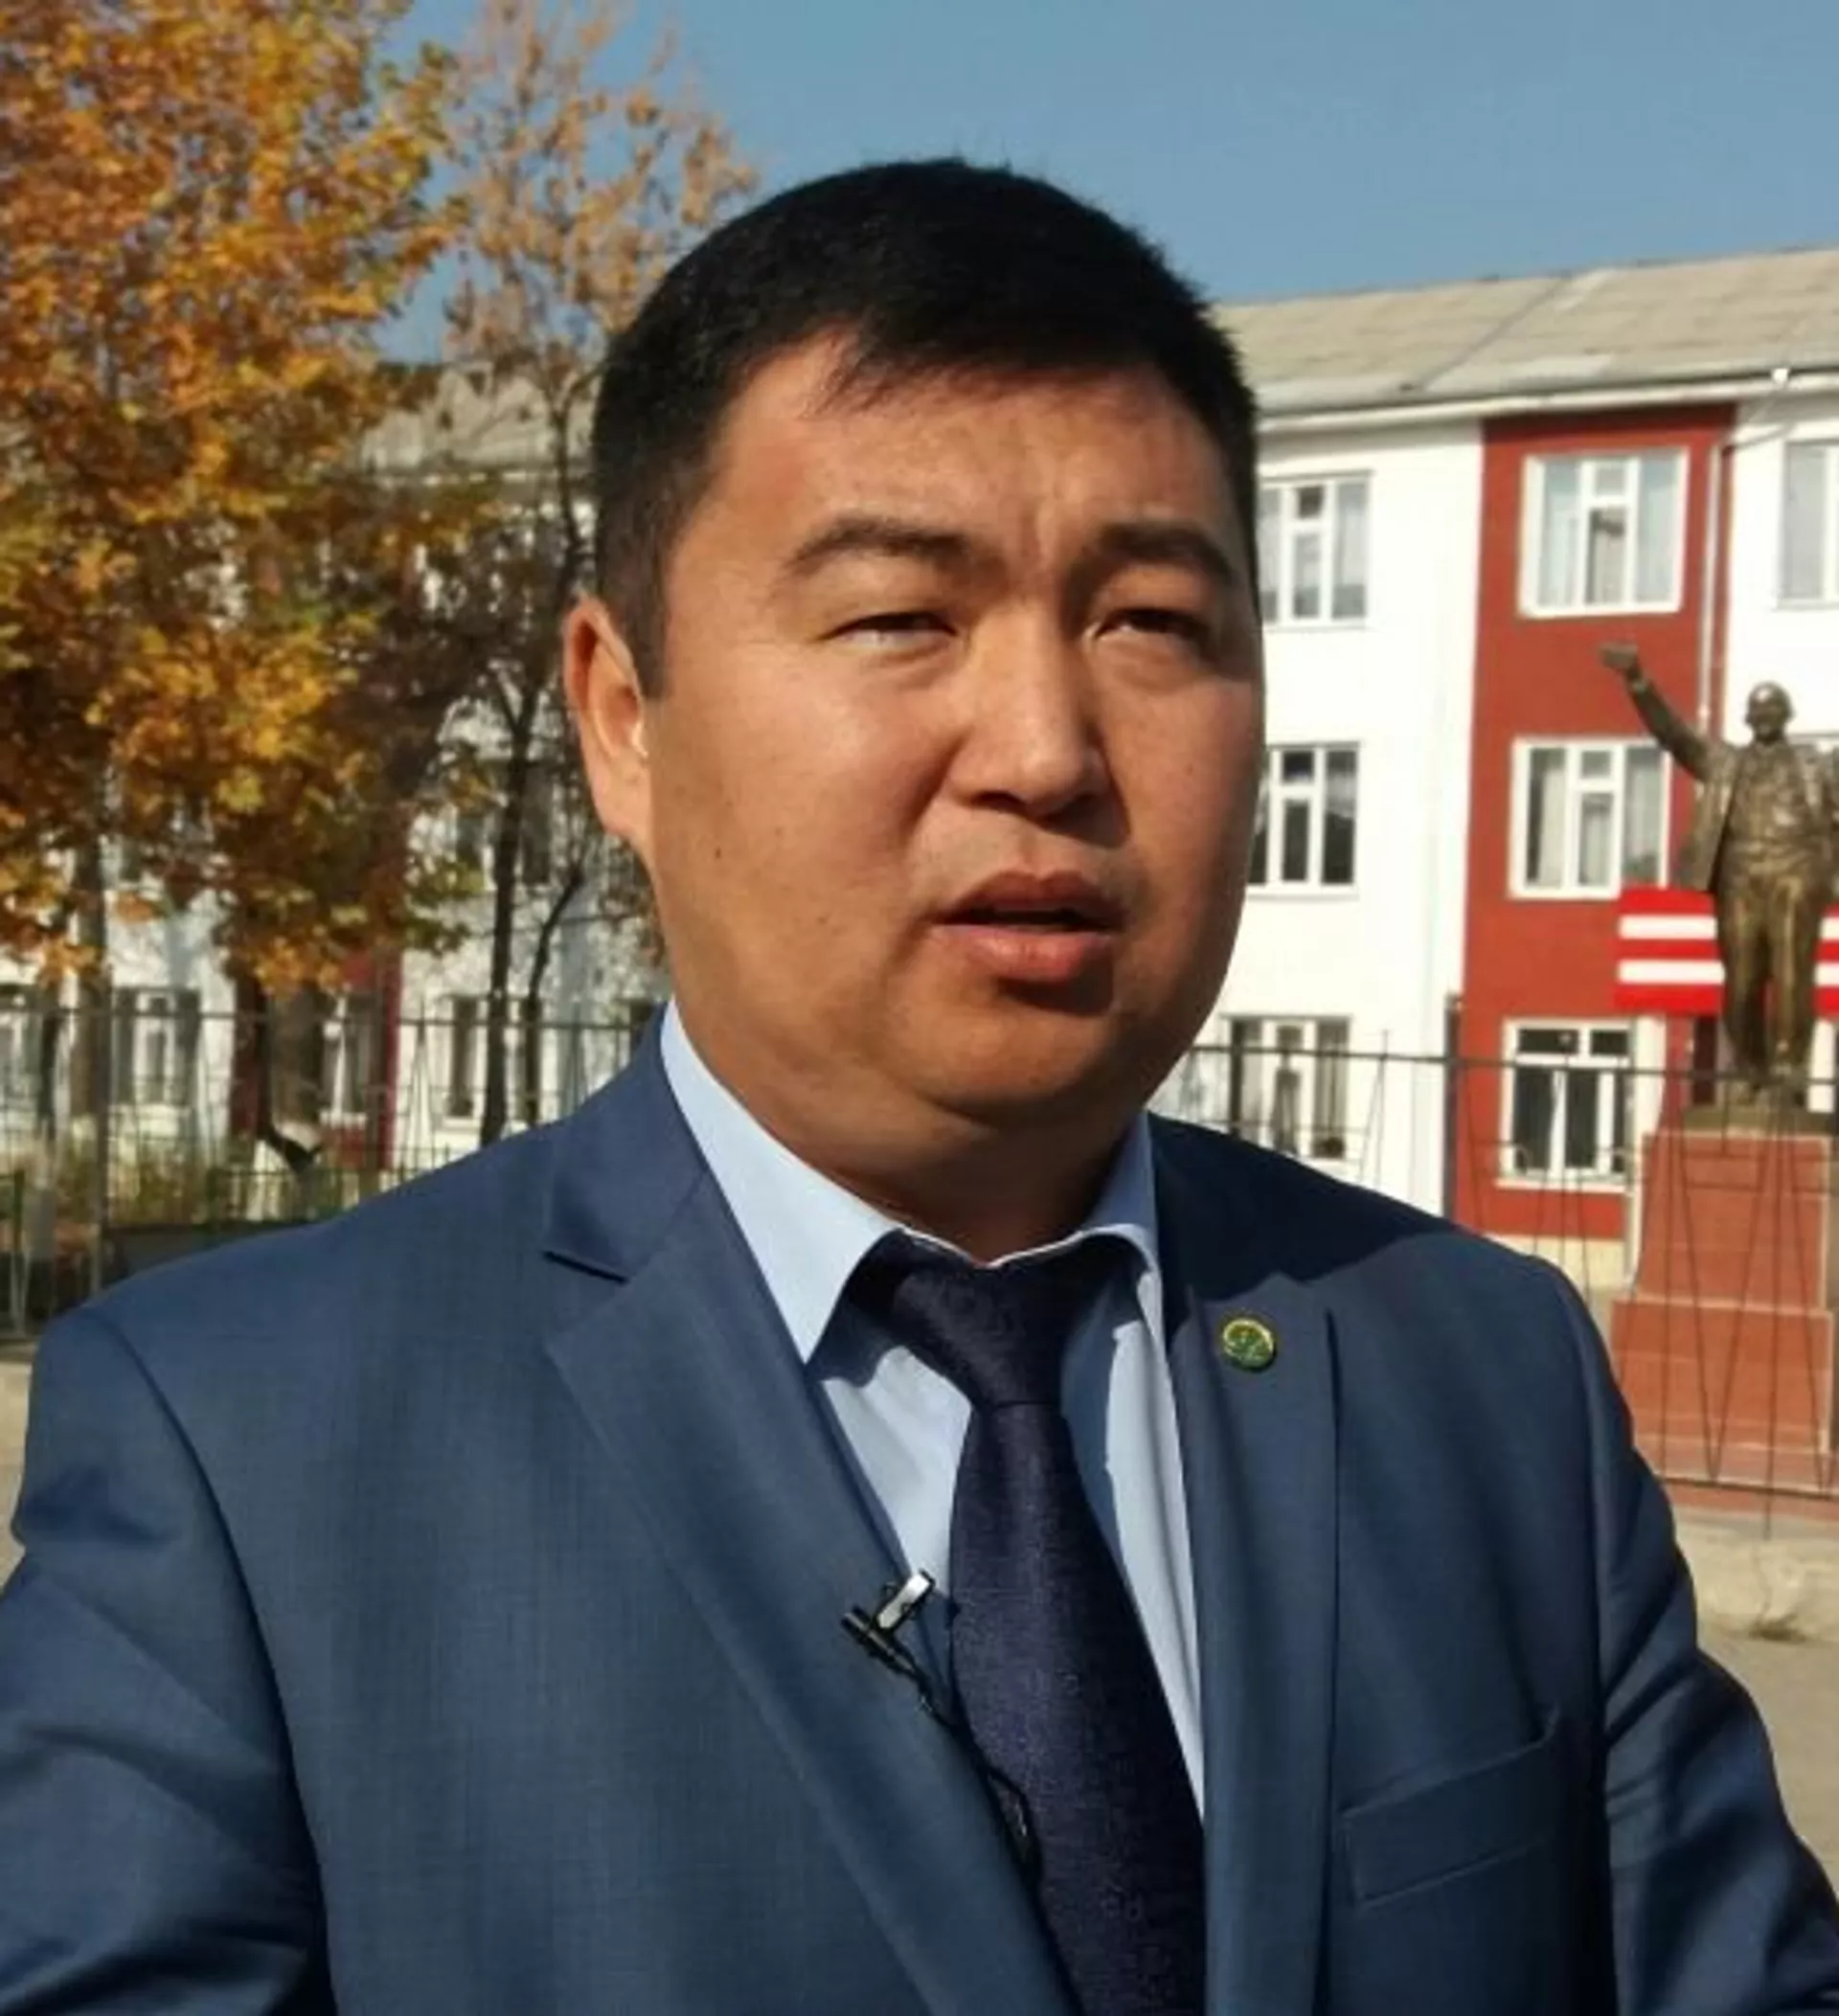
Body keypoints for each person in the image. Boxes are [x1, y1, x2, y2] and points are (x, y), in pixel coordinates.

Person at [1, 163, 1835, 2016]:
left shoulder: (1481, 1374)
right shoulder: (244, 1442)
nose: (1045, 750)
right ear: (623, 716)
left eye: (1153, 624)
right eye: (900, 616)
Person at [1604, 643, 1839, 1099]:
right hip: (1739, 876)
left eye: (1773, 709)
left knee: (1792, 974)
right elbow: (1674, 736)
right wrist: (1637, 681)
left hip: (1797, 871)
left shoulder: (1817, 765)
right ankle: (1749, 1070)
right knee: (1742, 978)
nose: (1765, 717)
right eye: (1758, 710)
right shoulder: (1723, 761)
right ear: (1747, 719)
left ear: (1787, 716)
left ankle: (1788, 1070)